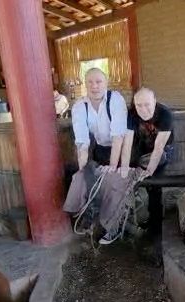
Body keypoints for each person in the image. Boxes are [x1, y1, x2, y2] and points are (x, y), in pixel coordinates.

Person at [63, 68, 131, 245]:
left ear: (106, 83)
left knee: (114, 181)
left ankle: (112, 226)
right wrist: (85, 170)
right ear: (85, 85)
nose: (94, 86)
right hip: (100, 149)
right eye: (90, 82)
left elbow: (119, 137)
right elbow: (82, 142)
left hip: (123, 149)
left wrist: (113, 165)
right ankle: (88, 215)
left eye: (98, 81)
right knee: (81, 178)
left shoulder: (115, 100)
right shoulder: (80, 106)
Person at [120, 87, 174, 179]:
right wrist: (124, 170)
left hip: (162, 148)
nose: (143, 110)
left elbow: (159, 147)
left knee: (156, 172)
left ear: (154, 101)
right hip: (140, 146)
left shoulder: (165, 114)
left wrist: (148, 173)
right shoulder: (130, 114)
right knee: (128, 165)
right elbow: (127, 144)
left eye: (147, 105)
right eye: (139, 105)